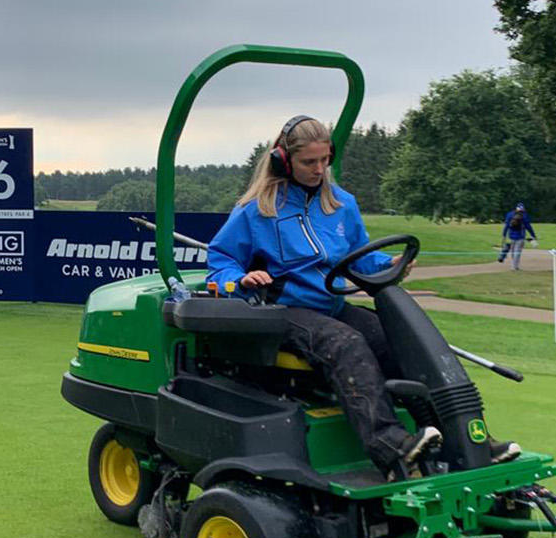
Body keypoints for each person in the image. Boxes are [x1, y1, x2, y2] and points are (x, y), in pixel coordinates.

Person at [207, 116, 518, 479]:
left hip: (333, 304)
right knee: (346, 343)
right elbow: (221, 260)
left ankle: (464, 440)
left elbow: (360, 255)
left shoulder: (340, 204)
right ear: (282, 160)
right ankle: (389, 444)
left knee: (404, 340)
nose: (320, 170)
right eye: (310, 162)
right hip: (286, 311)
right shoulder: (258, 210)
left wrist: (390, 263)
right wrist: (241, 278)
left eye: (325, 160)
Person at [499, 202, 539, 270]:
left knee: (513, 251)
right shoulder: (524, 216)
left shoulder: (509, 214)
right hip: (520, 236)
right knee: (517, 251)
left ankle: (513, 265)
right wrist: (533, 235)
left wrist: (504, 235)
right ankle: (514, 267)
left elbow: (506, 226)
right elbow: (528, 227)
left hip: (511, 236)